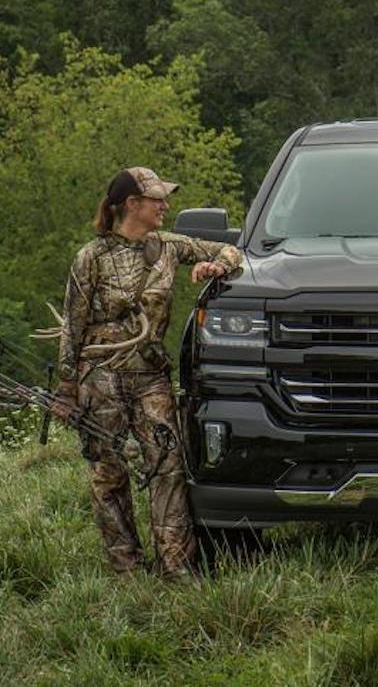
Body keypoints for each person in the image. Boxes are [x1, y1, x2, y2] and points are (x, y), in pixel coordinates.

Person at [51, 167, 242, 578]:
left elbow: (232, 250)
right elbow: (72, 325)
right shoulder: (91, 257)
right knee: (109, 473)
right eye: (157, 199)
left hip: (150, 376)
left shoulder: (168, 247)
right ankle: (127, 571)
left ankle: (176, 568)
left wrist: (216, 268)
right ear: (132, 205)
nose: (165, 206)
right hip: (99, 378)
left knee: (167, 465)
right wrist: (67, 388)